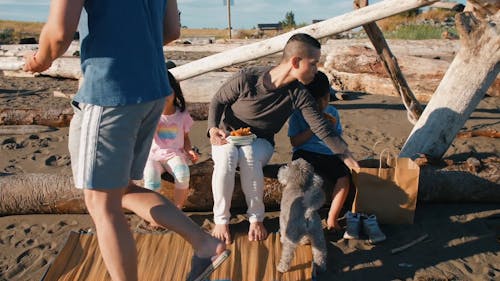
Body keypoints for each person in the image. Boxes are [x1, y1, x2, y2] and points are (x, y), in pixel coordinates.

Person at [23, 1, 229, 281]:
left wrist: (40, 60)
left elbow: (58, 33)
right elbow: (171, 30)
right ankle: (206, 245)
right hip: (154, 89)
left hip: (110, 91)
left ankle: (203, 247)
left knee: (101, 204)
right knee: (121, 190)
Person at [207, 33, 359, 245]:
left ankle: (256, 219)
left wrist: (344, 153)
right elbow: (218, 100)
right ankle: (221, 220)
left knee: (249, 154)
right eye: (313, 64)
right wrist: (213, 128)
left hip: (261, 142)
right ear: (296, 62)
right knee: (227, 157)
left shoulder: (299, 94)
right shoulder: (248, 78)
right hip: (228, 136)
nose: (317, 70)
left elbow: (319, 125)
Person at [288, 71, 352, 231]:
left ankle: (332, 218)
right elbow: (294, 141)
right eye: (317, 101)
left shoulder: (332, 112)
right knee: (303, 180)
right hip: (305, 152)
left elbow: (337, 140)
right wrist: (314, 127)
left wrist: (330, 126)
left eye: (326, 98)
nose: (323, 104)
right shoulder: (298, 114)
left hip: (328, 153)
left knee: (344, 178)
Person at [143, 70, 199, 209]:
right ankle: (153, 210)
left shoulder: (181, 115)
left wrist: (189, 150)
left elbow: (185, 138)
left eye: (166, 92)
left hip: (174, 154)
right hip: (152, 156)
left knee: (182, 173)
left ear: (175, 92)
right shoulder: (148, 113)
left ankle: (177, 208)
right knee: (150, 177)